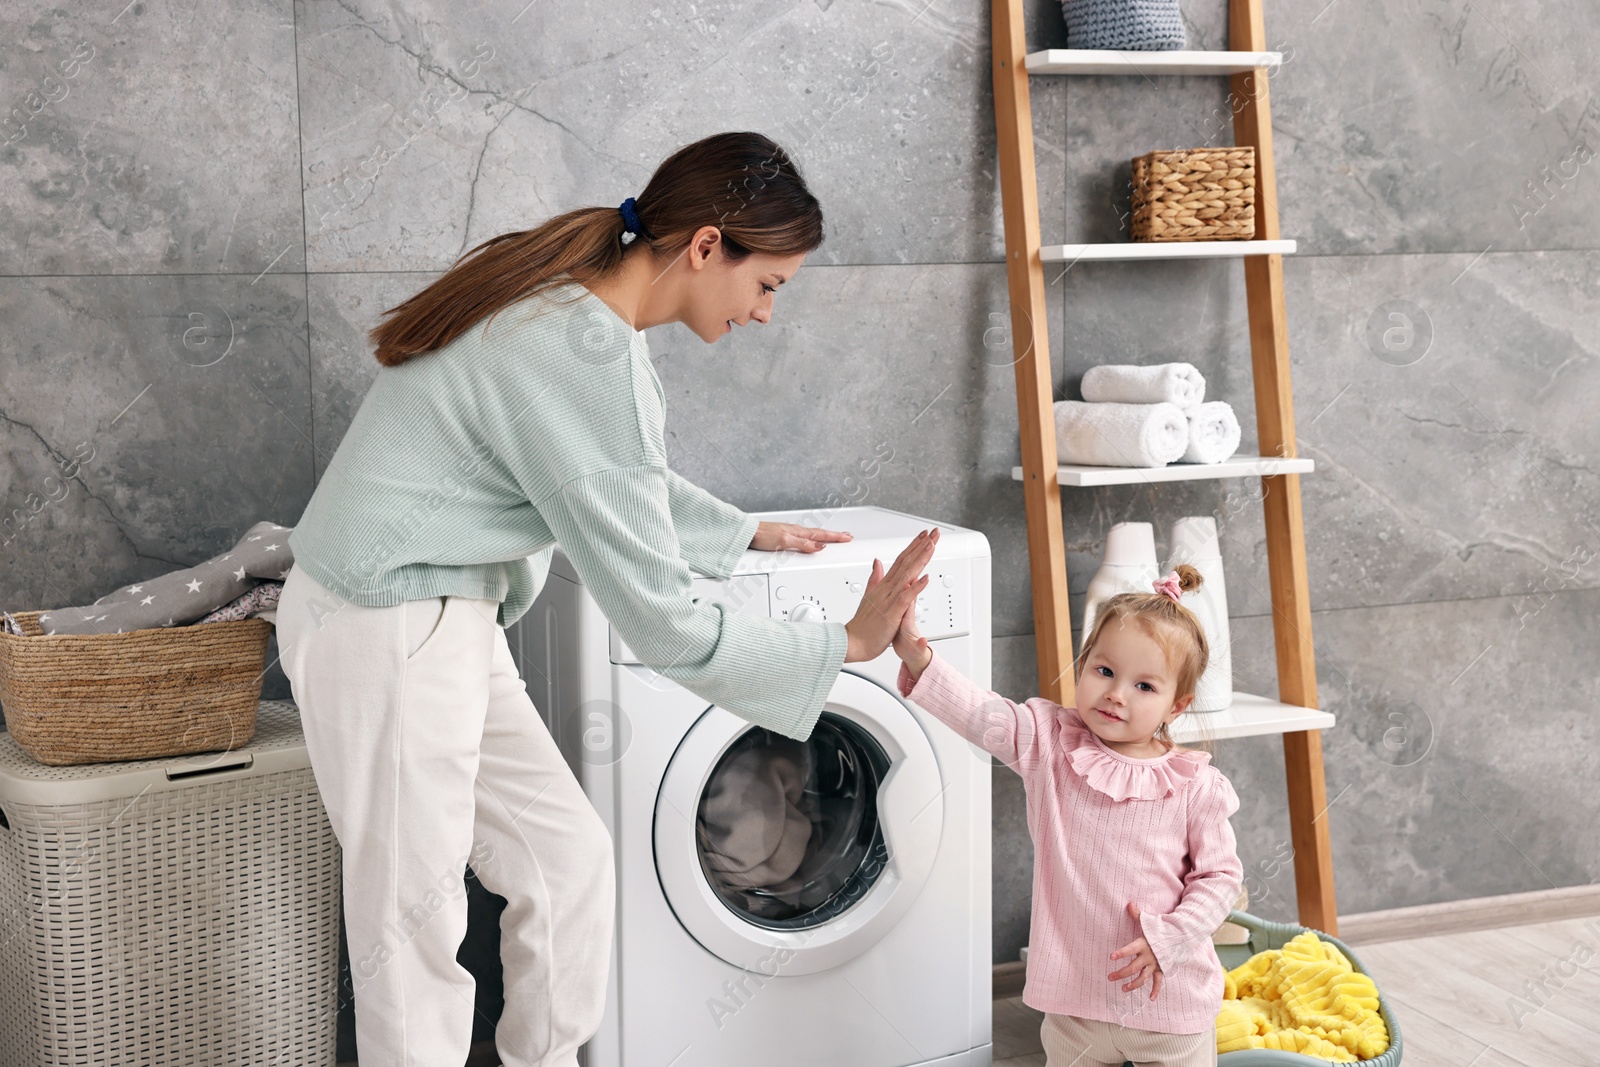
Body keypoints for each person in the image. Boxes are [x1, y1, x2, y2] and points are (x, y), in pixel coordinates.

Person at [274, 130, 937, 1067]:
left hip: (437, 615)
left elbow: (601, 475)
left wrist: (743, 532)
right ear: (707, 247)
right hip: (387, 622)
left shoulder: (568, 310)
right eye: (769, 285)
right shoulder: (587, 352)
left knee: (566, 862)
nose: (764, 313)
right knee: (409, 928)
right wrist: (843, 645)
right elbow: (662, 622)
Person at [889, 563, 1244, 1067]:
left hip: (1167, 1002)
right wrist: (917, 655)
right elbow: (978, 712)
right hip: (1075, 1008)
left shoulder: (1195, 786)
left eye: (1145, 686)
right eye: (1104, 671)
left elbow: (1220, 878)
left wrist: (1173, 935)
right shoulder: (1048, 744)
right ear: (1082, 666)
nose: (1117, 693)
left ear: (1177, 705)